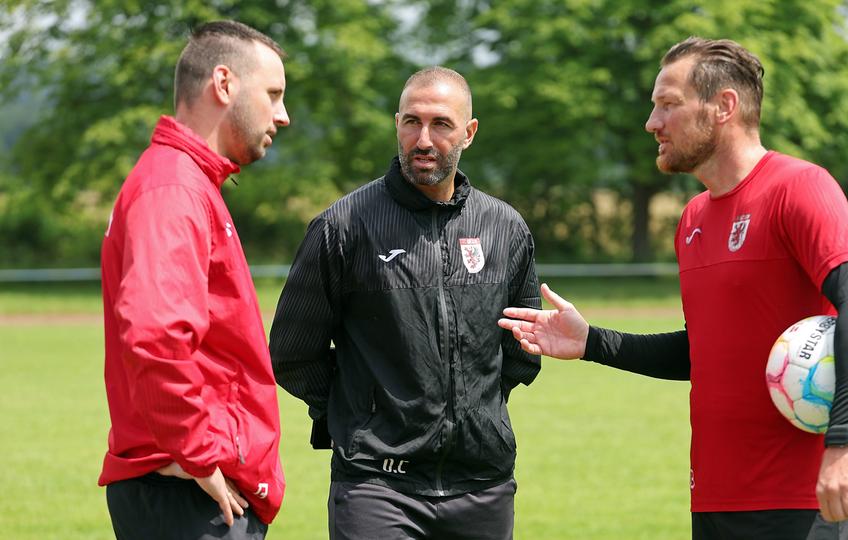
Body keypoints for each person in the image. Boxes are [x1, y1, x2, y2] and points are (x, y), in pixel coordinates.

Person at [498, 37, 848, 540]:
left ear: (723, 106)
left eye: (668, 104)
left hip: (800, 504)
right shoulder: (692, 219)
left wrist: (846, 443)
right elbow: (703, 351)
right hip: (712, 500)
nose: (651, 122)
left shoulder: (800, 188)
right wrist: (592, 341)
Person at [269, 66, 541, 540]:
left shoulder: (505, 228)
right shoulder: (343, 227)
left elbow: (521, 350)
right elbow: (293, 353)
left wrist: (472, 412)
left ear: (469, 133)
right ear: (396, 123)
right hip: (377, 488)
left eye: (441, 124)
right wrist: (360, 413)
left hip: (483, 487)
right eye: (411, 122)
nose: (423, 139)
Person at [99, 20, 290, 539]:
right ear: (224, 85)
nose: (283, 115)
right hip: (190, 493)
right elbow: (156, 335)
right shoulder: (173, 188)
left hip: (191, 488)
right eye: (272, 94)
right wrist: (201, 455)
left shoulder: (184, 182)